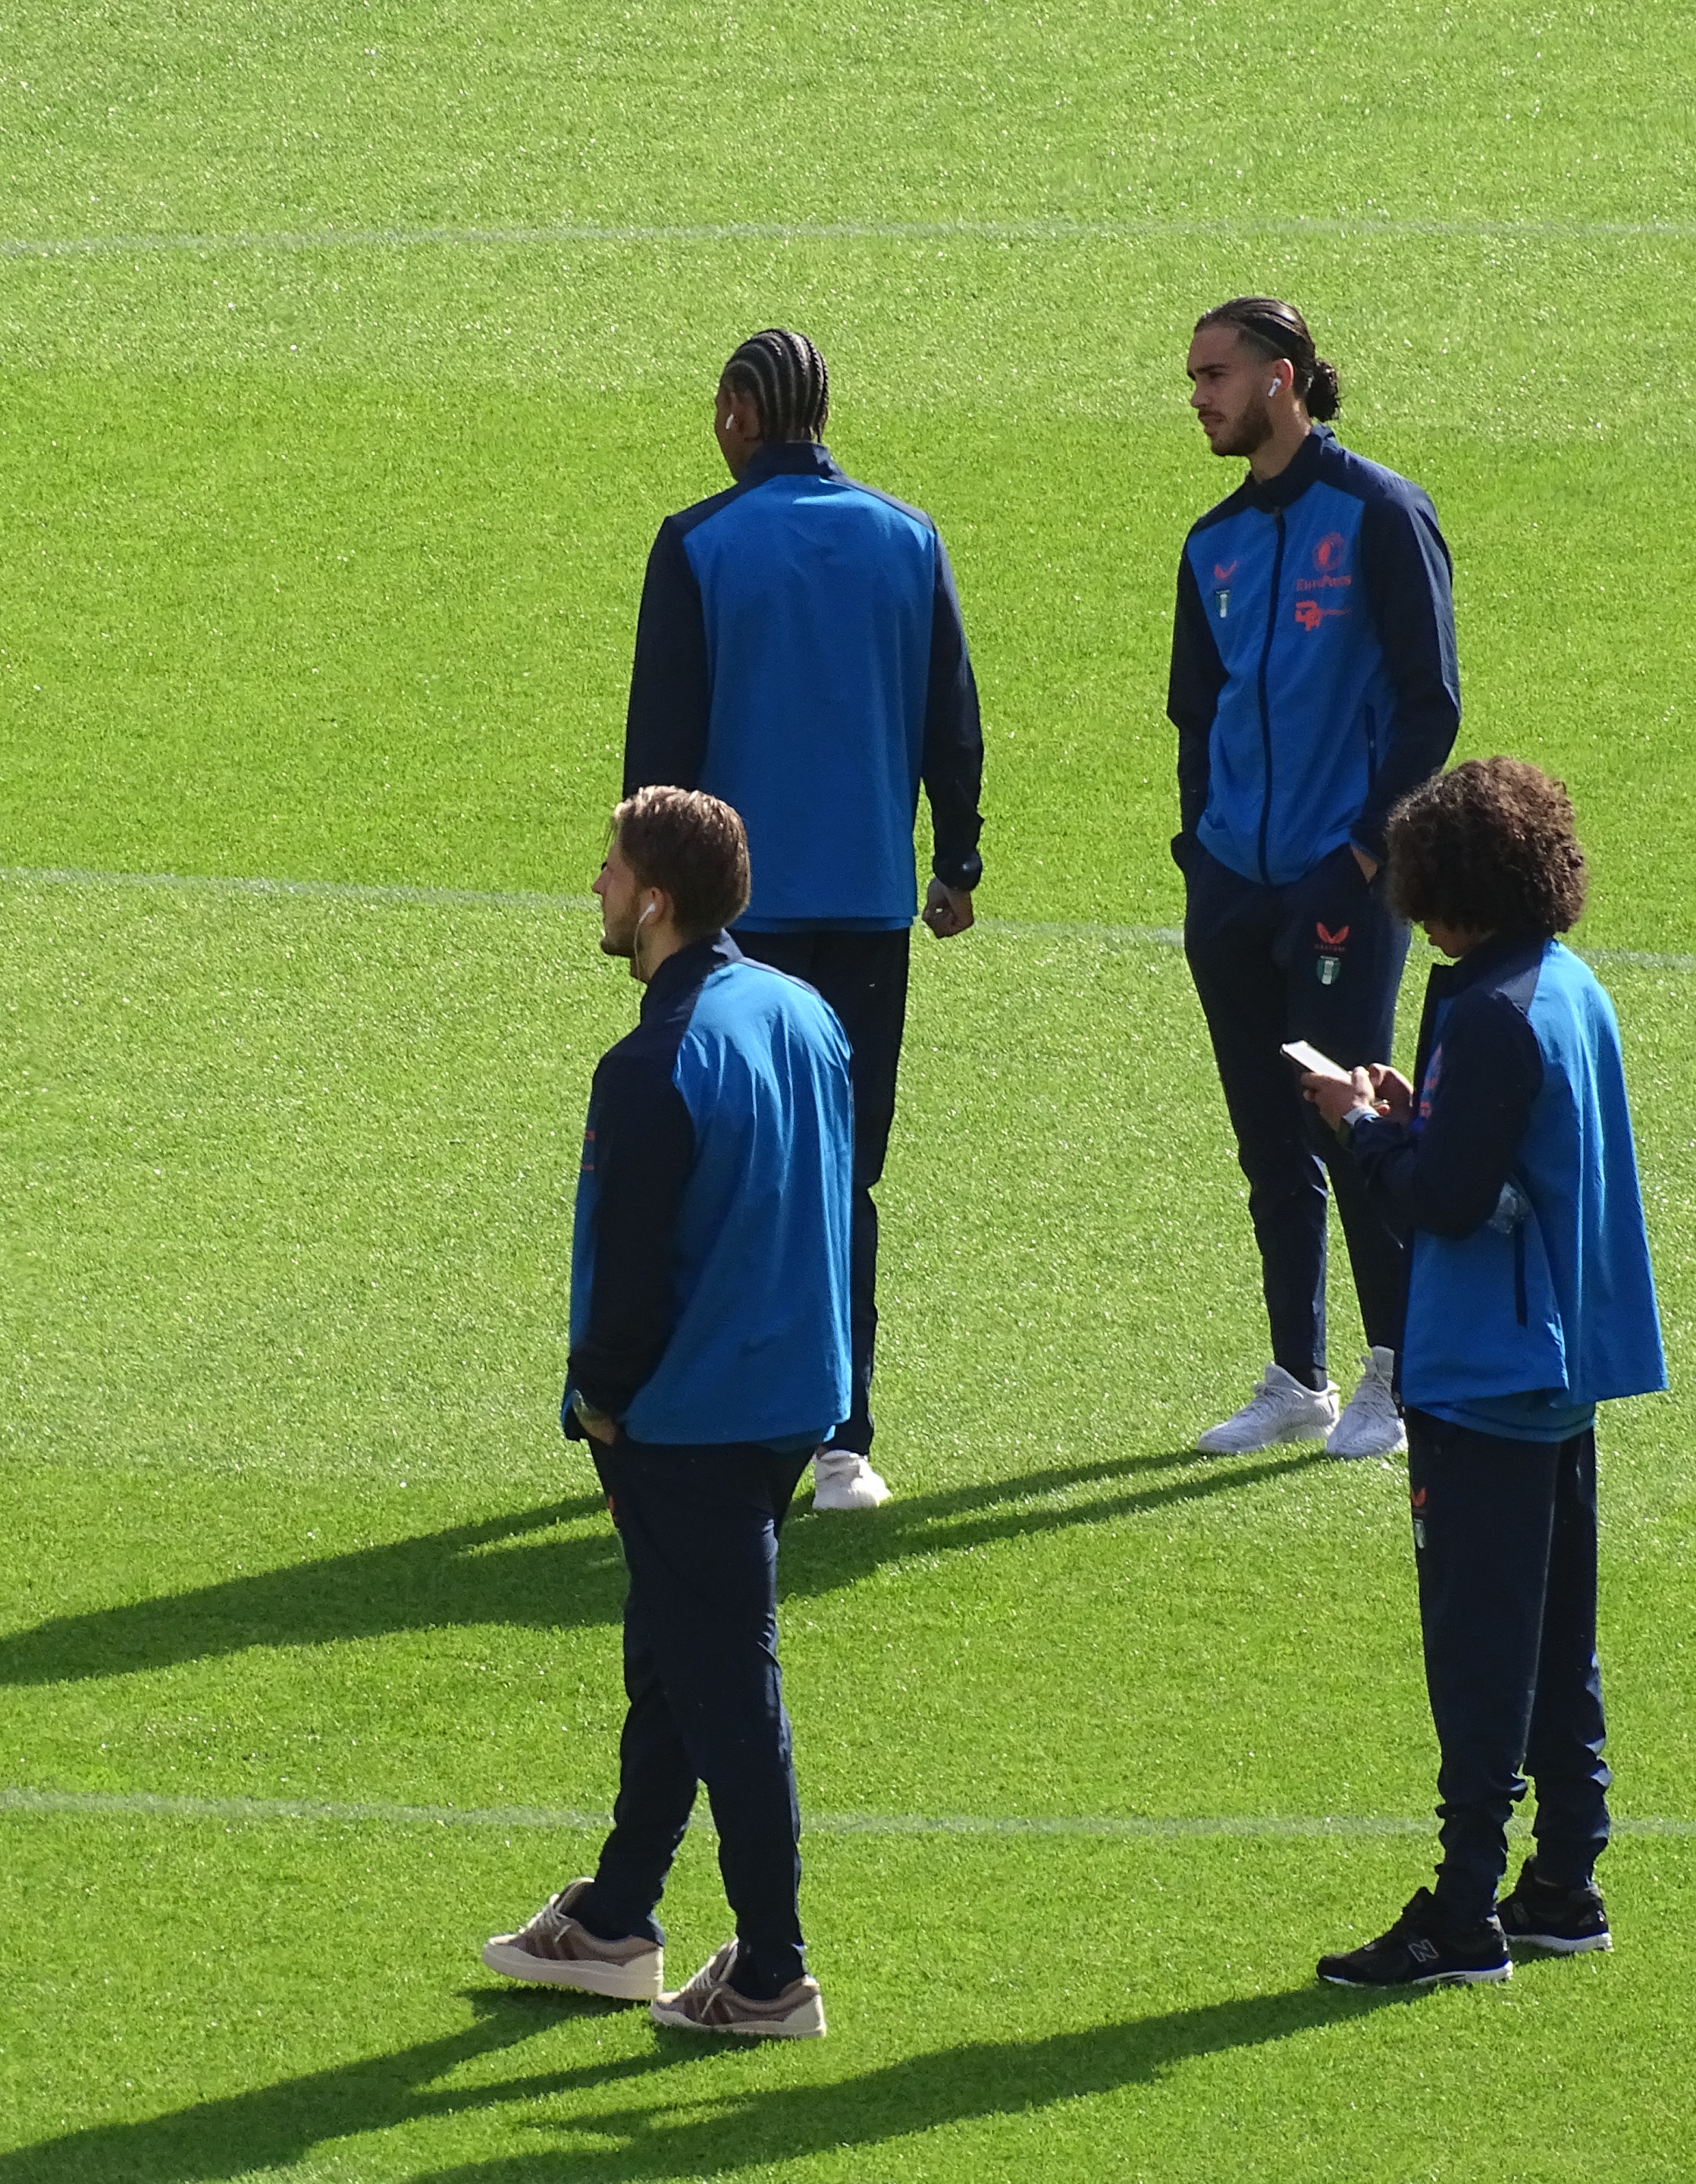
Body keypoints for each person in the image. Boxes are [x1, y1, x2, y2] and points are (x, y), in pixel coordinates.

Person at [481, 787, 852, 2039]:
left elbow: (630, 1269)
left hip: (692, 1412)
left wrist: (601, 1400)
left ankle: (771, 1971)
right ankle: (619, 1918)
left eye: (611, 868)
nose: (593, 884)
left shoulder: (653, 1063)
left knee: (727, 1684)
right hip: (795, 1393)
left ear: (655, 901)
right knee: (677, 1662)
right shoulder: (805, 1014)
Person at [1296, 757, 1665, 1985]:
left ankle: (1460, 1914)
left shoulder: (1492, 1014)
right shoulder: (1562, 988)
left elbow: (1445, 1204)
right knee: (1560, 1639)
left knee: (1478, 1649)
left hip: (1487, 1373)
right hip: (1556, 1363)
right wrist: (1413, 1118)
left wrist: (1357, 1130)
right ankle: (1563, 1879)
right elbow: (1504, 1164)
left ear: (1447, 886)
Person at [622, 328, 984, 1513]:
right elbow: (953, 722)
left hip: (733, 928)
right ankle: (844, 1442)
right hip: (871, 908)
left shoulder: (698, 545)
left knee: (711, 1165)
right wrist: (958, 859)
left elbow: (662, 755)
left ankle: (697, 1414)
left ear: (738, 411)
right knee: (845, 1172)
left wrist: (644, 898)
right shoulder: (907, 536)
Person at [1171, 297, 1459, 1461]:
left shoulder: (1380, 514)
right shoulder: (1212, 543)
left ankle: (1395, 1372)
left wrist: (1361, 850)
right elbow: (1196, 715)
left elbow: (1430, 702)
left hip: (1340, 883)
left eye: (1215, 375)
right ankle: (1300, 1375)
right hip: (1232, 883)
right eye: (1192, 378)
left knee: (1348, 1128)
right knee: (1264, 1138)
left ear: (1282, 379)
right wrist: (1199, 847)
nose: (1197, 397)